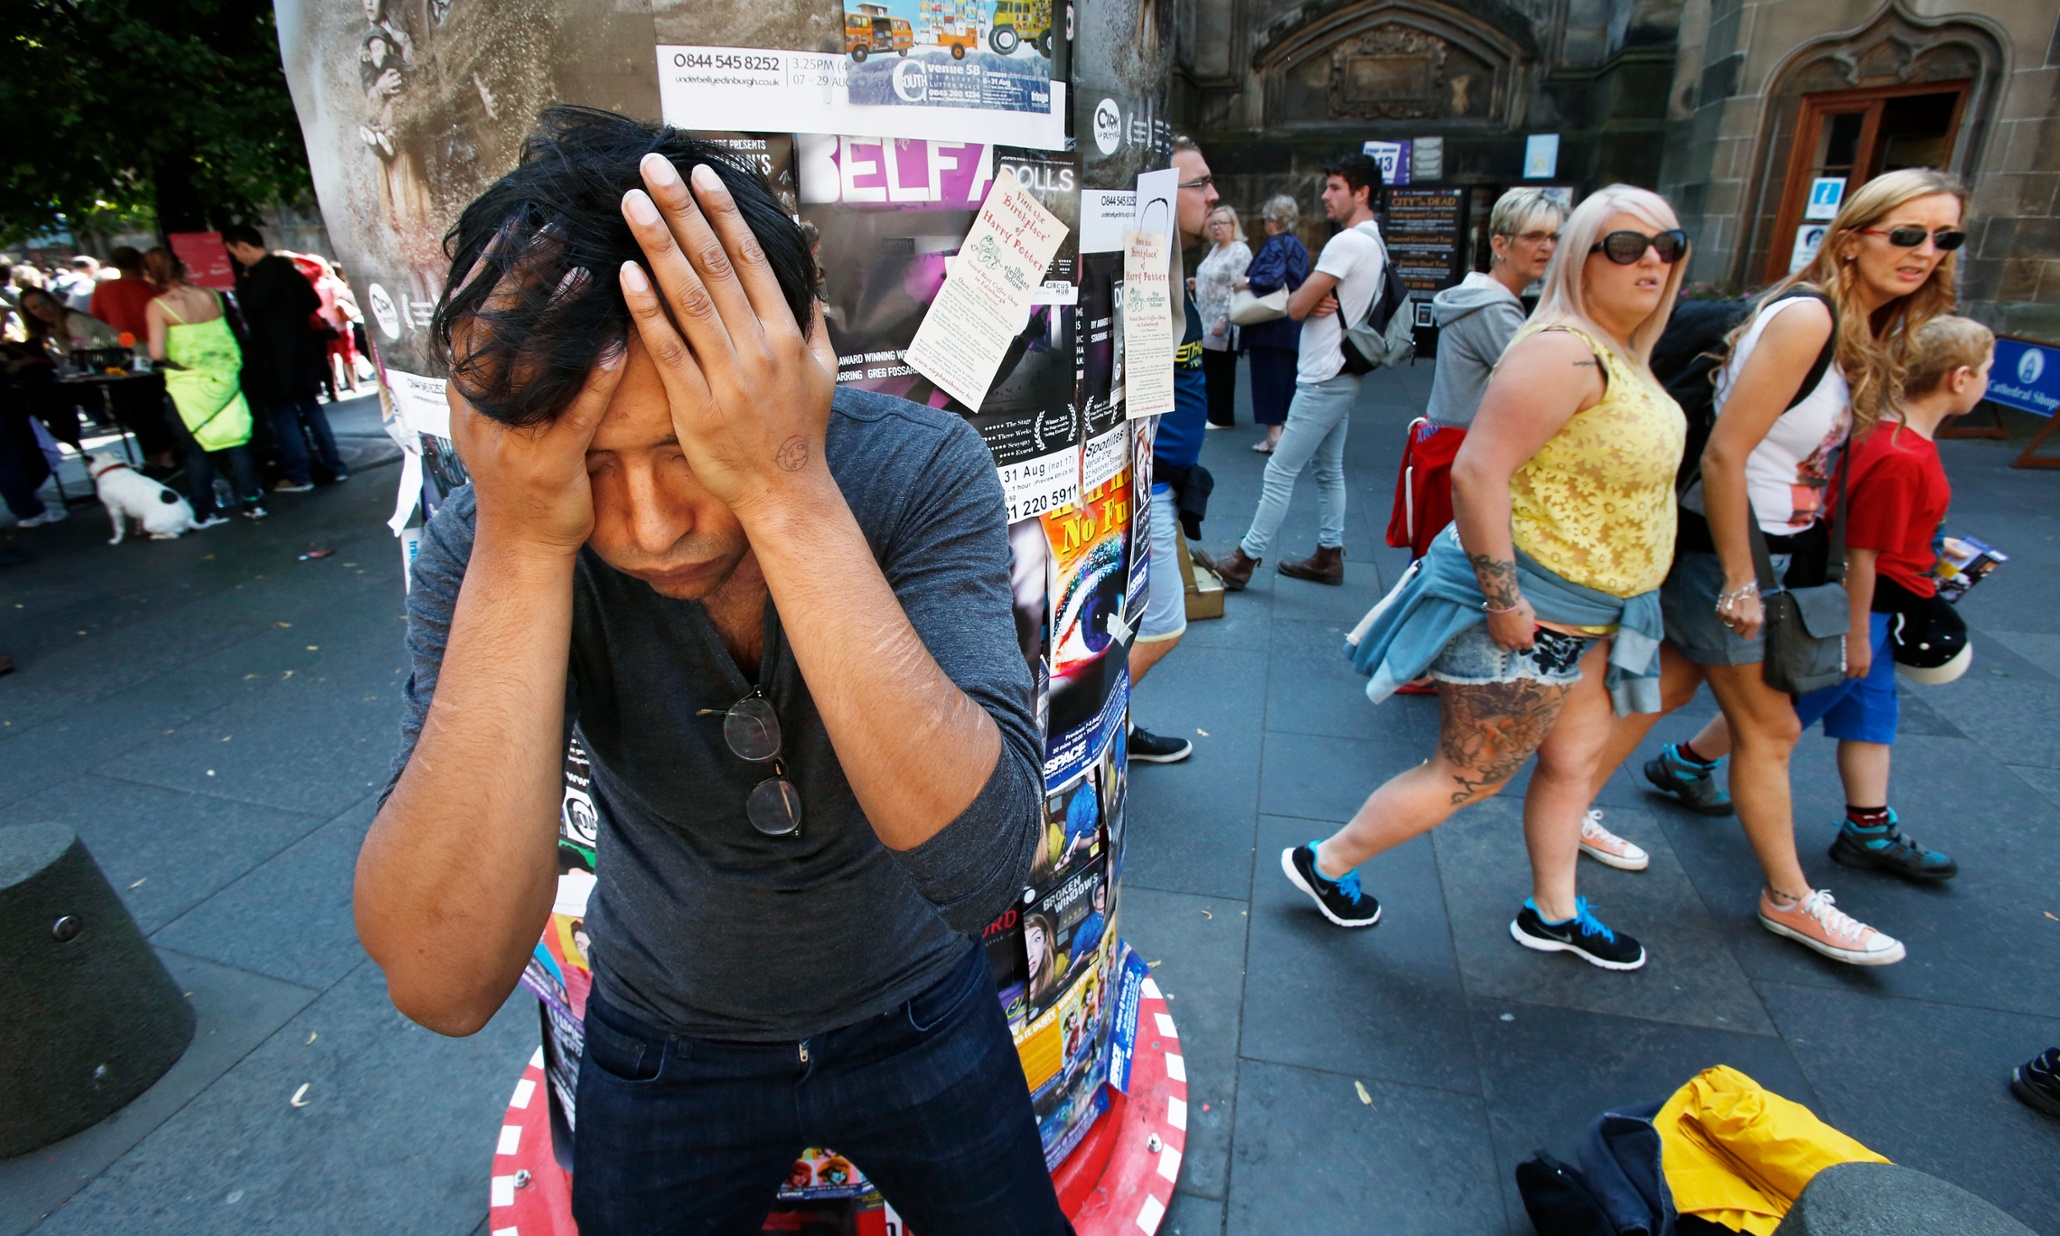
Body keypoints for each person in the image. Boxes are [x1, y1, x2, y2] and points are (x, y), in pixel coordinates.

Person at [356, 108, 1066, 1235]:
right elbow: (441, 979)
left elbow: (984, 865)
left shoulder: (914, 472)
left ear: (799, 366)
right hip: (663, 1034)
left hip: (920, 1004)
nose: (644, 528)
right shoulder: (500, 538)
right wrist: (526, 538)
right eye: (591, 466)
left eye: (692, 447)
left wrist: (784, 487)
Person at [1281, 186, 1694, 972]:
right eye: (1626, 246)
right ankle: (1325, 862)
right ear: (1584, 257)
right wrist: (1505, 602)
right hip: (1533, 614)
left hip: (1596, 617)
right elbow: (1477, 475)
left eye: (1667, 246)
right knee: (1466, 774)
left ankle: (1555, 911)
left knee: (1573, 765)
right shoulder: (1561, 351)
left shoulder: (1618, 351)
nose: (1651, 260)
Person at [1582, 168, 1967, 967]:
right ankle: (1791, 899)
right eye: (1906, 233)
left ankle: (1565, 808)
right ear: (1853, 237)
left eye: (1944, 238)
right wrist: (1741, 579)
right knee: (1772, 727)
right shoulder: (1807, 319)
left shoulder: (1861, 327)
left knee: (1670, 686)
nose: (1925, 252)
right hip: (1728, 550)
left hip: (1764, 549)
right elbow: (1725, 455)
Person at [1644, 316, 1990, 886]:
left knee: (1870, 719)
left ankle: (1867, 822)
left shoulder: (1890, 440)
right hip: (1866, 607)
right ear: (1958, 379)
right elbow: (1862, 552)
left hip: (1877, 604)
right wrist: (1857, 630)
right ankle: (1694, 770)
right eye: (1987, 372)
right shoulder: (1902, 454)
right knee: (1777, 718)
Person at [1197, 152, 1387, 589]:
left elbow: (1296, 304)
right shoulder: (1375, 241)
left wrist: (1308, 298)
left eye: (1336, 187)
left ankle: (1244, 559)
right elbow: (1305, 297)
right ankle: (1328, 553)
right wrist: (1311, 295)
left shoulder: (1347, 242)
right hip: (1344, 370)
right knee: (1328, 469)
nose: (1325, 196)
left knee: (1281, 469)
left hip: (1324, 373)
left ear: (1362, 193)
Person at [1389, 188, 1563, 561]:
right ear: (1500, 242)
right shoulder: (1494, 311)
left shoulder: (1480, 298)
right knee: (1456, 575)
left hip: (1445, 448)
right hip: (1466, 455)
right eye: (1533, 236)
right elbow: (1543, 390)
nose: (1546, 247)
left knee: (1436, 569)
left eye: (1553, 237)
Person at [1123, 136, 1219, 767]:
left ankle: (1111, 728)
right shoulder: (1142, 266)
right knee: (1162, 623)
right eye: (1200, 183)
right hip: (1148, 482)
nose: (1214, 195)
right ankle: (1082, 725)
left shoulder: (1170, 267)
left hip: (1164, 479)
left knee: (1136, 624)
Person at [143, 248, 268, 522]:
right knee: (237, 441)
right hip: (225, 377)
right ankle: (253, 500)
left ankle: (204, 508)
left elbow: (156, 352)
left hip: (188, 384)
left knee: (196, 448)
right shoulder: (211, 296)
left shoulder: (159, 306)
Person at [221, 224, 349, 492]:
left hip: (271, 359)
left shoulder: (253, 280)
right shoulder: (289, 272)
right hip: (302, 353)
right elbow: (312, 303)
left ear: (243, 247)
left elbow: (251, 305)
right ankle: (335, 466)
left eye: (235, 252)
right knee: (312, 410)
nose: (237, 258)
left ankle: (299, 474)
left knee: (284, 416)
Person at [1237, 194, 1309, 455]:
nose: (1265, 224)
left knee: (1268, 382)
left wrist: (1245, 282)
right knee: (1288, 382)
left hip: (1269, 325)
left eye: (1267, 219)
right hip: (1293, 325)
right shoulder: (1298, 245)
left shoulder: (1274, 244)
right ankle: (1286, 437)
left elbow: (1271, 278)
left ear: (1274, 220)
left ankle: (1273, 438)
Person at [1192, 205, 1251, 430]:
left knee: (1222, 370)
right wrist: (1197, 283)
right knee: (1210, 367)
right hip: (1206, 316)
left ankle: (1222, 416)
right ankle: (1213, 412)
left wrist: (1224, 316)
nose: (1217, 227)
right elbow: (1214, 277)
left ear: (1233, 225)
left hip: (1223, 319)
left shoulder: (1238, 250)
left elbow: (1237, 286)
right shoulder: (1216, 248)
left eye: (1222, 223)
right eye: (1213, 223)